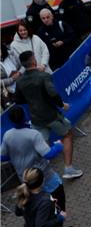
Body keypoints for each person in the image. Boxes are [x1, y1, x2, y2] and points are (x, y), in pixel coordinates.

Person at [14, 51, 82, 179]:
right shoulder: (43, 76)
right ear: (34, 61)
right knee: (67, 134)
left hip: (36, 118)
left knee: (41, 145)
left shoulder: (20, 81)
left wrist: (32, 99)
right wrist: (62, 105)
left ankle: (40, 176)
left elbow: (18, 100)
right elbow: (53, 93)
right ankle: (68, 168)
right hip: (52, 116)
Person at [1, 106, 67, 213]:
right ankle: (58, 222)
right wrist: (58, 146)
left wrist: (15, 155)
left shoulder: (7, 135)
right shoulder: (33, 134)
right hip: (43, 175)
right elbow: (48, 154)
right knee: (58, 196)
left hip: (25, 177)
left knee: (35, 202)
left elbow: (2, 156)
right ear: (24, 117)